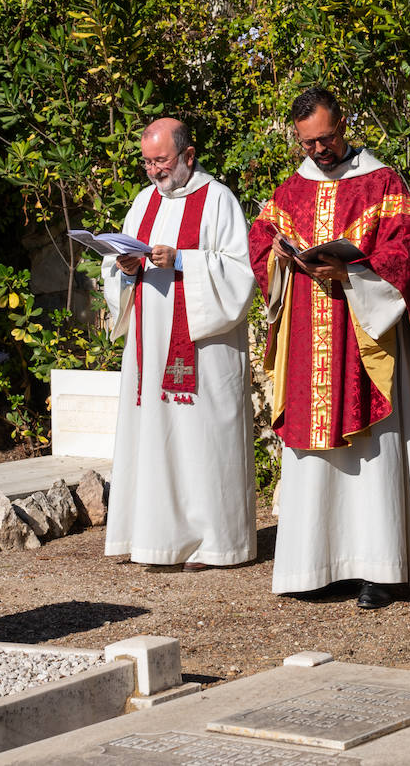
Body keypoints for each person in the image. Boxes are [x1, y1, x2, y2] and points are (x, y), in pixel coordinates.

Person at [249, 88, 410, 609]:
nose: (318, 150)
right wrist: (278, 257)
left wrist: (352, 272)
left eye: (326, 138)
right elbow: (260, 244)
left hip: (369, 338)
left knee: (374, 456)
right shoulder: (291, 190)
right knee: (314, 461)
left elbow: (406, 251)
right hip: (309, 342)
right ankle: (316, 566)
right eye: (307, 143)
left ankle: (379, 570)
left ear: (343, 124)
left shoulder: (382, 182)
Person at [103, 118, 257, 570]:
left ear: (188, 155)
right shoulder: (143, 201)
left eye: (162, 161)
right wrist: (126, 269)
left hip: (204, 348)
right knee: (156, 437)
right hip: (150, 346)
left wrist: (183, 259)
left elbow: (241, 272)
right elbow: (116, 267)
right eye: (147, 163)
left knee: (204, 439)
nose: (154, 171)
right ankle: (155, 539)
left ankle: (216, 543)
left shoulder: (219, 200)